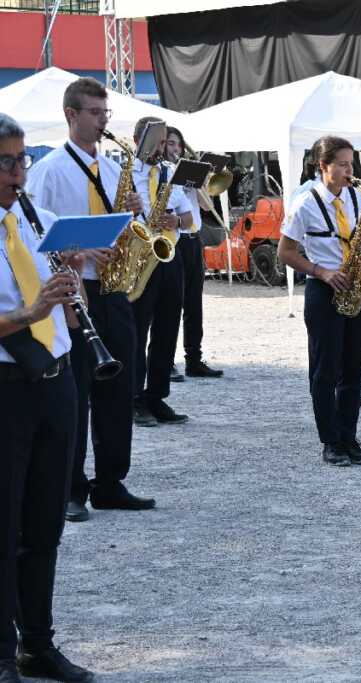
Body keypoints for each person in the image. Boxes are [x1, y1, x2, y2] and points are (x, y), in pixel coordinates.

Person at [24, 77, 155, 519]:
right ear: (71, 115)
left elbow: (128, 226)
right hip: (74, 291)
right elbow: (34, 239)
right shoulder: (49, 171)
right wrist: (76, 253)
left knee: (119, 384)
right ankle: (71, 489)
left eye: (105, 114)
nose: (103, 122)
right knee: (76, 389)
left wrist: (134, 209)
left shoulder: (116, 169)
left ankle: (111, 481)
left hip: (115, 286)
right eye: (95, 114)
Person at [0, 112, 95, 682]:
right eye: (7, 163)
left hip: (54, 380)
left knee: (43, 523)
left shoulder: (40, 222)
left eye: (21, 160)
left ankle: (38, 641)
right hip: (5, 388)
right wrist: (30, 312)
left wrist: (72, 285)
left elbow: (63, 292)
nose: (18, 174)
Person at [277, 136, 361, 467]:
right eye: (343, 164)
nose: (351, 171)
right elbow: (285, 252)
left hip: (357, 286)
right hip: (324, 290)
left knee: (354, 368)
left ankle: (349, 436)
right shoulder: (304, 202)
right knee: (325, 370)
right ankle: (330, 440)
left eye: (352, 164)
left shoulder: (358, 197)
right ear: (323, 166)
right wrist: (320, 271)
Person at [129, 117, 194, 427]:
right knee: (138, 330)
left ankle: (156, 396)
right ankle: (134, 398)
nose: (161, 146)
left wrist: (176, 222)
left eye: (164, 140)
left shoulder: (169, 173)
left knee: (167, 329)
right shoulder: (124, 173)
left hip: (169, 255)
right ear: (137, 140)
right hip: (139, 258)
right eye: (155, 140)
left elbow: (190, 217)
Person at [163, 127, 223, 378]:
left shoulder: (187, 173)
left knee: (194, 302)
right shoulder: (162, 172)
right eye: (170, 144)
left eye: (178, 145)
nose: (175, 149)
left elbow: (207, 206)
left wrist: (198, 183)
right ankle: (166, 361)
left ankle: (194, 358)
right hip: (172, 241)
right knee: (170, 303)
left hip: (192, 239)